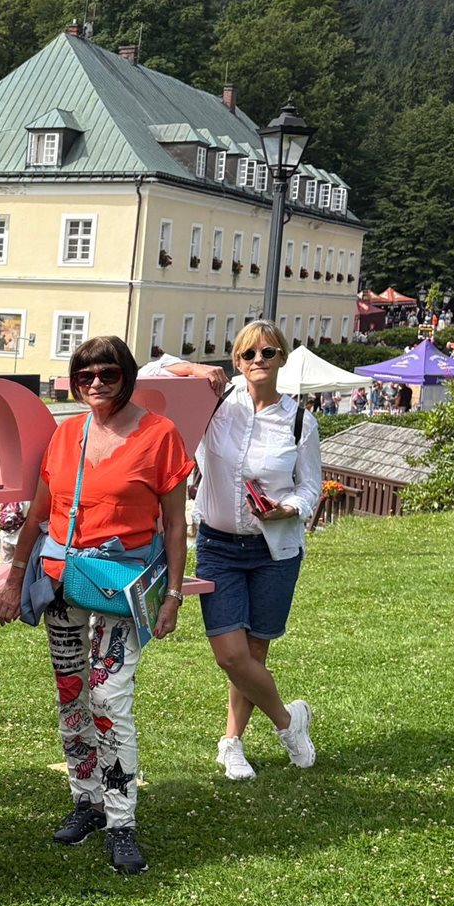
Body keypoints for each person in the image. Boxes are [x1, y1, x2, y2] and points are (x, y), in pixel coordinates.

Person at [0, 336, 191, 876]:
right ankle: (87, 801)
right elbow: (38, 514)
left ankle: (121, 818)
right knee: (73, 695)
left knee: (109, 698)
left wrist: (172, 594)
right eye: (85, 376)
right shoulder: (67, 434)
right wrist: (13, 581)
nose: (96, 383)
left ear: (127, 375)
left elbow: (175, 524)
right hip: (62, 585)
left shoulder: (159, 436)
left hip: (120, 590)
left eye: (107, 373)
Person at [174, 322, 321, 780]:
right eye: (248, 354)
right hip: (218, 545)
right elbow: (152, 370)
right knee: (230, 654)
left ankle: (232, 743)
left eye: (269, 352)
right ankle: (288, 720)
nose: (259, 360)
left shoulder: (300, 420)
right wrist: (198, 368)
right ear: (236, 361)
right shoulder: (214, 405)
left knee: (254, 654)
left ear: (282, 360)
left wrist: (289, 508)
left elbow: (311, 487)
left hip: (275, 549)